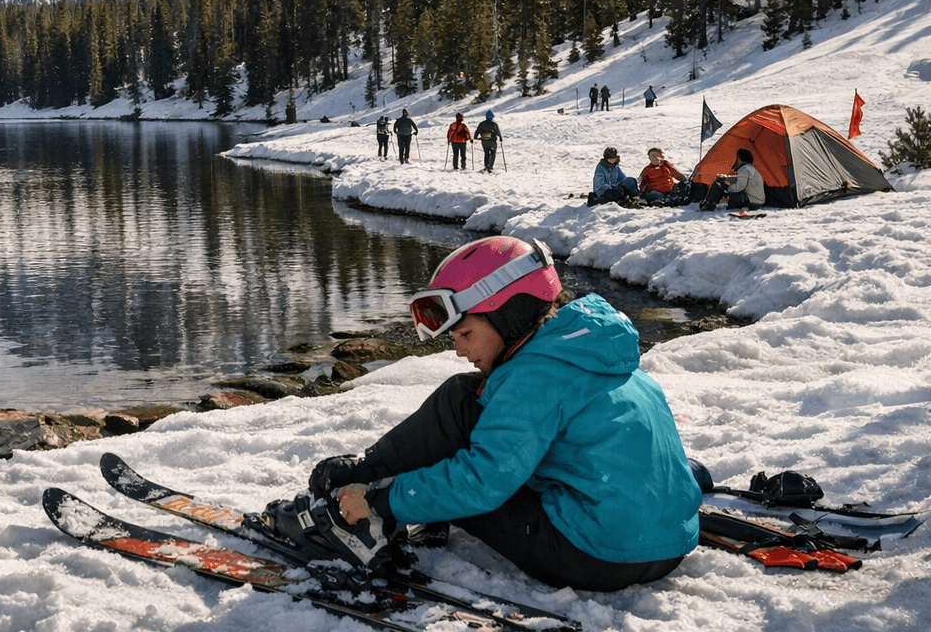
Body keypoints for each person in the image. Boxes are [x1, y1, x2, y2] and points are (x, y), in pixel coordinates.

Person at [298, 236, 701, 592]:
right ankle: (380, 475)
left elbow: (483, 482)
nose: (459, 349)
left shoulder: (533, 378)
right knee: (467, 395)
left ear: (507, 313)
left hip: (593, 556)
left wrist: (382, 502)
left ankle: (366, 496)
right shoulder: (593, 351)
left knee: (461, 419)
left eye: (465, 333)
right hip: (670, 544)